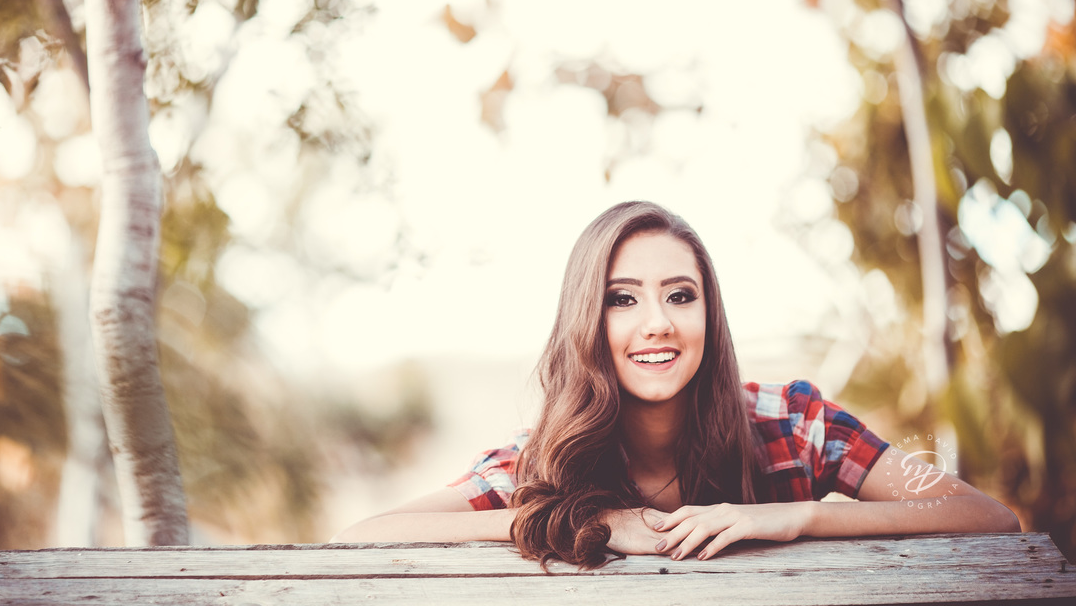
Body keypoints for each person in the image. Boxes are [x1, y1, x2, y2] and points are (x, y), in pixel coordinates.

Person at [333, 201, 1020, 567]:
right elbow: (362, 535)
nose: (656, 323)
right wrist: (575, 519)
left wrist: (795, 518)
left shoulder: (796, 424)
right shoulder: (542, 461)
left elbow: (986, 517)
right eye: (622, 299)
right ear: (587, 321)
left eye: (680, 296)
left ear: (708, 312)